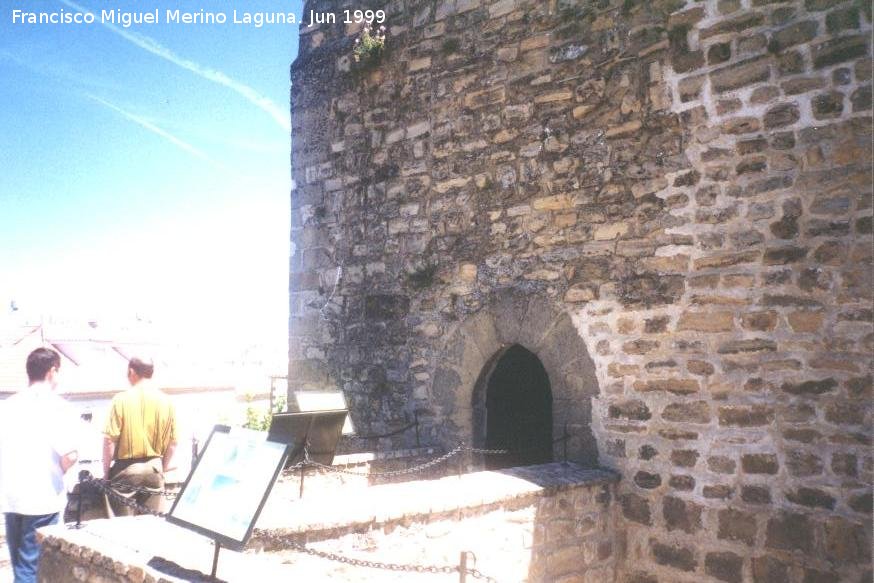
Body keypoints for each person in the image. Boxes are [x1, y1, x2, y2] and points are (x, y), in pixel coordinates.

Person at [0, 347, 79, 583]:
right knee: (31, 570)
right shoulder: (58, 407)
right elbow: (70, 455)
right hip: (42, 498)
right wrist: (60, 471)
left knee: (20, 566)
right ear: (52, 371)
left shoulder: (7, 406)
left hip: (11, 497)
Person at [102, 355, 177, 516]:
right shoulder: (167, 401)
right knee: (150, 526)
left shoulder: (121, 400)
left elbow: (109, 440)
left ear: (131, 372)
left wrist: (106, 473)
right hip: (155, 469)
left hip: (126, 470)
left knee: (121, 529)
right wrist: (161, 468)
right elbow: (173, 443)